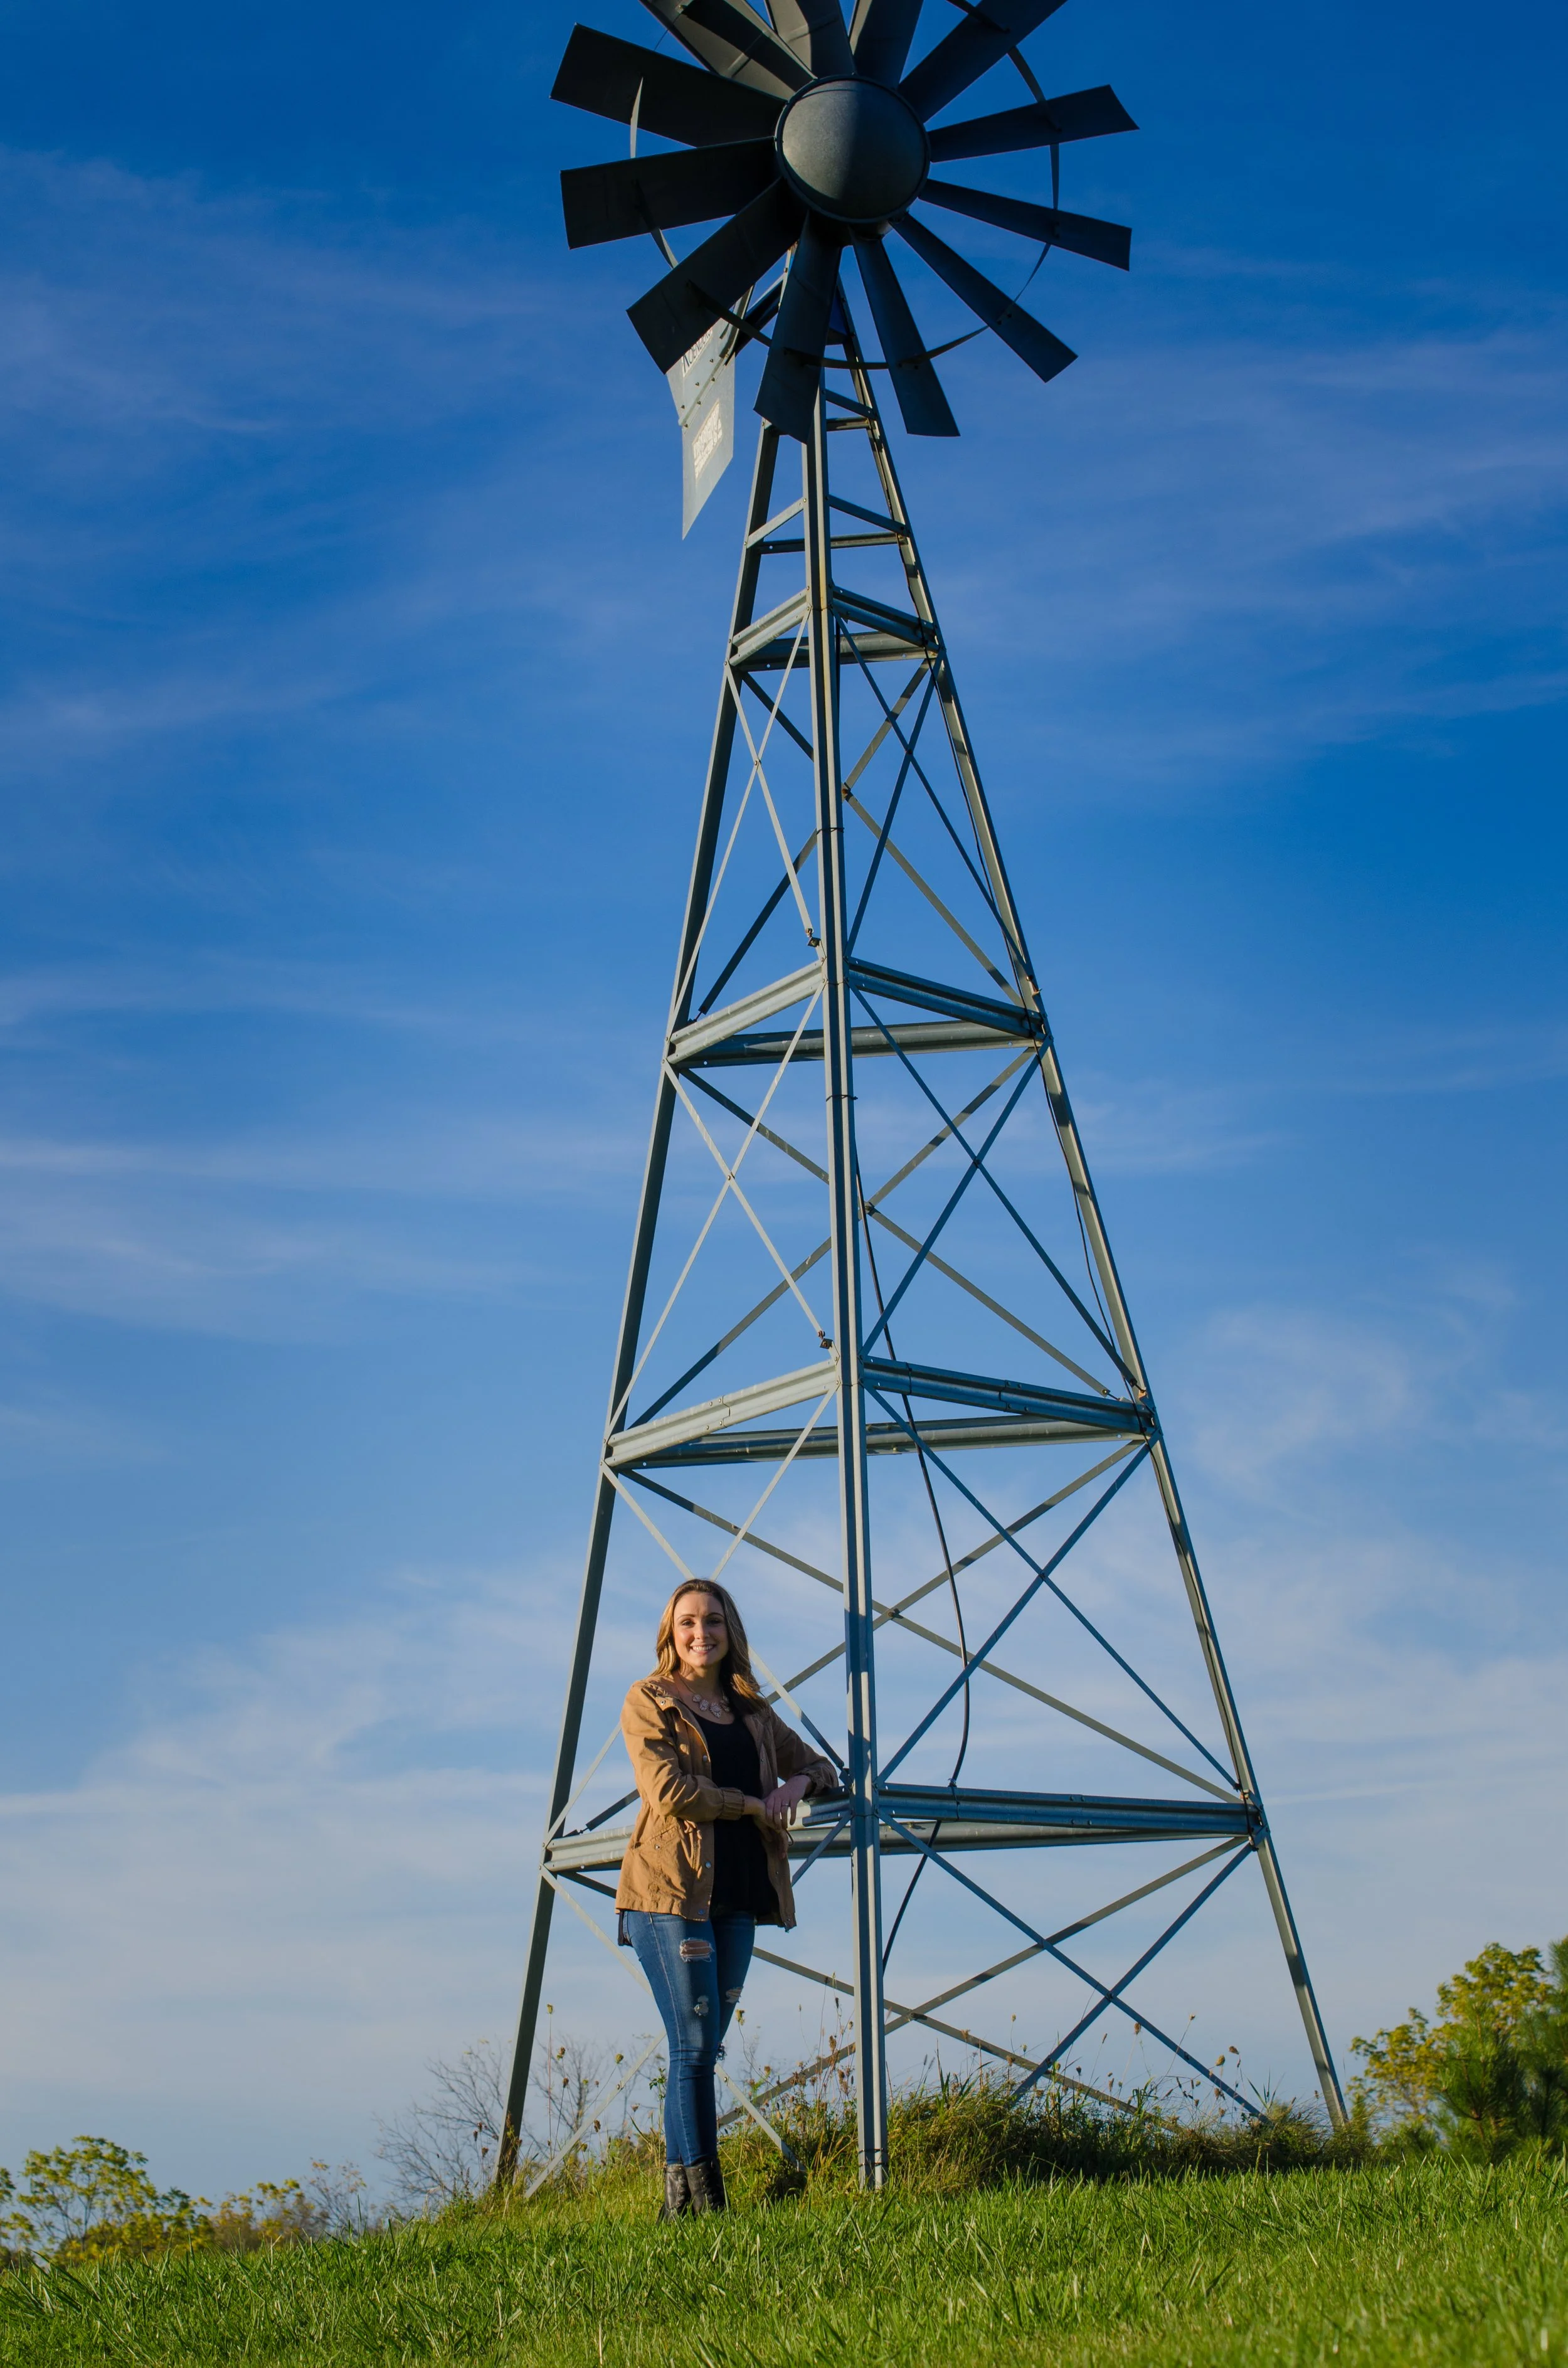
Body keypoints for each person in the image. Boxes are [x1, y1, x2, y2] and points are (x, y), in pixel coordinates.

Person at [616, 1578, 837, 2218]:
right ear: (670, 1632)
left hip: (739, 1891)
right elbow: (669, 1792)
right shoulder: (650, 1699)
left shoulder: (752, 1712)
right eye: (687, 1622)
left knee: (704, 2047)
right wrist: (749, 1803)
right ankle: (710, 2203)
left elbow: (824, 1768)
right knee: (690, 2043)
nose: (700, 1633)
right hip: (669, 1893)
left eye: (712, 1621)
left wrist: (792, 1785)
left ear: (729, 1631)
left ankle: (675, 2207)